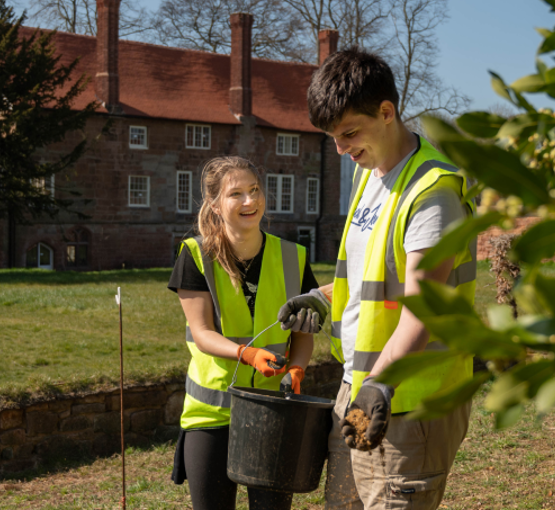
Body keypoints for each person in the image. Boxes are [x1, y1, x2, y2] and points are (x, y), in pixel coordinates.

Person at [277, 48, 477, 509]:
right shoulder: (369, 175)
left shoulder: (432, 193)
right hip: (360, 387)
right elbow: (375, 277)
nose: (342, 150)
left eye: (349, 133)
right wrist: (324, 299)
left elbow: (423, 305)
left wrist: (380, 384)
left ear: (387, 112)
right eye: (333, 138)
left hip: (408, 402)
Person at [168, 155, 319, 510]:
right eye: (236, 194)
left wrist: (297, 368)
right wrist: (246, 353)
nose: (250, 201)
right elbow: (202, 332)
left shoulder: (293, 256)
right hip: (211, 414)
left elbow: (302, 335)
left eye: (254, 190)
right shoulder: (196, 255)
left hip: (274, 412)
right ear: (215, 205)